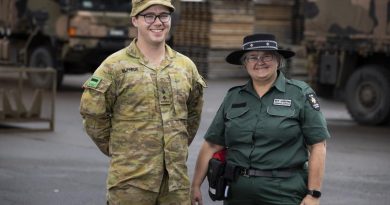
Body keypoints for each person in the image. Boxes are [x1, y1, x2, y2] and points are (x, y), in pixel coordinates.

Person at [79, 0, 206, 204]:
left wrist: (175, 147)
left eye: (164, 15)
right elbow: (93, 115)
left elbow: (193, 115)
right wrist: (120, 149)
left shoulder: (185, 67)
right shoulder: (114, 66)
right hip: (131, 183)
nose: (158, 22)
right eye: (149, 16)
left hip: (175, 184)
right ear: (135, 20)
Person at [191, 33, 330, 205]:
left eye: (267, 56)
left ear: (278, 61)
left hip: (283, 192)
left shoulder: (299, 93)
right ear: (245, 63)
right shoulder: (234, 97)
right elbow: (212, 144)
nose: (260, 62)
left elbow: (318, 145)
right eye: (252, 57)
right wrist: (196, 185)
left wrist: (313, 194)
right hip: (238, 193)